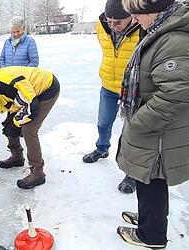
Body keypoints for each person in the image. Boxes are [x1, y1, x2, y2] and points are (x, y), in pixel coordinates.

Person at [116, 0, 189, 248]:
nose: (134, 20)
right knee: (146, 177)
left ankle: (151, 235)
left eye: (137, 14)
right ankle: (149, 220)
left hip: (160, 131)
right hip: (159, 128)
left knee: (151, 178)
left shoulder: (173, 39)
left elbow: (178, 93)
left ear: (153, 10)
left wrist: (139, 121)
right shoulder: (163, 30)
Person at [0, 66, 60, 189]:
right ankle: (17, 156)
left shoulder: (6, 86)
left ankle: (38, 171)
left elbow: (31, 106)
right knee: (10, 124)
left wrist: (16, 123)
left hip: (46, 88)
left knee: (29, 130)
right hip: (26, 95)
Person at [82, 0, 140, 194]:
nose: (113, 26)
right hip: (108, 84)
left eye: (118, 22)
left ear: (131, 17)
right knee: (103, 122)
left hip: (133, 89)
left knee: (132, 132)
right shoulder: (102, 25)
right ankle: (102, 148)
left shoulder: (142, 29)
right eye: (110, 21)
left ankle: (131, 171)